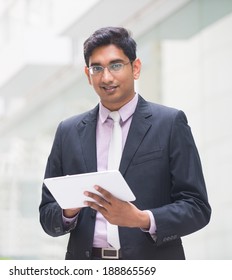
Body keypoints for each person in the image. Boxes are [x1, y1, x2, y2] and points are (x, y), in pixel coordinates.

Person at [39, 26, 211, 260]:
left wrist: (141, 219)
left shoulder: (170, 123)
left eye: (116, 65)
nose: (106, 77)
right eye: (97, 68)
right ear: (88, 75)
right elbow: (47, 215)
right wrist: (68, 211)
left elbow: (197, 208)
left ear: (136, 68)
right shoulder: (68, 132)